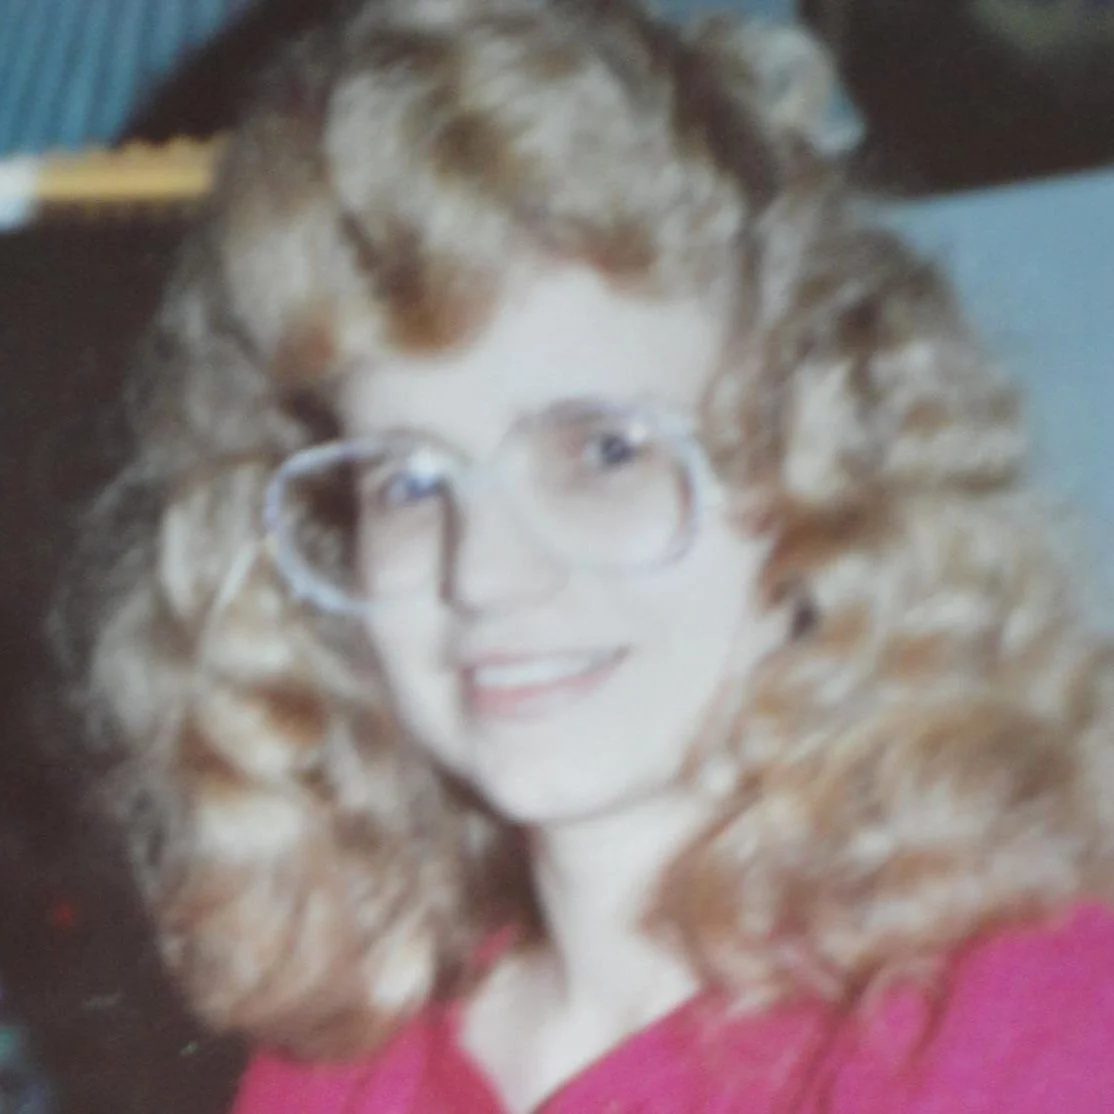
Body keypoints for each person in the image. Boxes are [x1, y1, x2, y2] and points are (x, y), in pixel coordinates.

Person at [71, 0, 1114, 1110]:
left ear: (821, 475)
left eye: (604, 452)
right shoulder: (338, 1066)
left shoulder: (1025, 1023)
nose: (483, 573)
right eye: (408, 480)